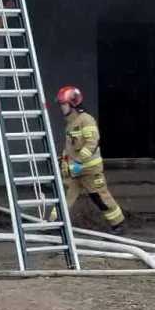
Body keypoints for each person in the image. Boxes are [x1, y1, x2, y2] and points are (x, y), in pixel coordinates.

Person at [47, 86, 126, 234]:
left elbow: (92, 143)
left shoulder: (86, 120)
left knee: (100, 198)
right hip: (74, 171)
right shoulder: (71, 123)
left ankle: (118, 224)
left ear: (73, 104)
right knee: (63, 196)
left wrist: (78, 161)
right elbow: (71, 147)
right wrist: (63, 159)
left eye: (64, 104)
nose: (61, 107)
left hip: (89, 170)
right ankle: (54, 224)